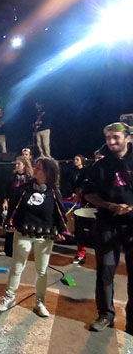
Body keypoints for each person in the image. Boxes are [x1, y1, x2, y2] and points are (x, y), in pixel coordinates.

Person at [0, 157, 68, 317]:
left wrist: (62, 231)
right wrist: (10, 222)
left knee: (42, 271)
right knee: (17, 267)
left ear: (48, 172)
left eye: (39, 168)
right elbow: (14, 208)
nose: (34, 170)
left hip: (45, 236)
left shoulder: (54, 193)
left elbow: (60, 214)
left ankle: (40, 302)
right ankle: (9, 297)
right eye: (35, 167)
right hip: (23, 233)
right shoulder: (24, 189)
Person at [83, 122, 133, 334]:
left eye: (116, 137)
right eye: (108, 138)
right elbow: (88, 193)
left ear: (128, 137)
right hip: (107, 223)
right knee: (105, 270)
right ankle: (106, 314)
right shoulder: (99, 167)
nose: (111, 142)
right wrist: (110, 205)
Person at [0, 157, 34, 257]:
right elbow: (6, 189)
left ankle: (21, 251)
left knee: (21, 229)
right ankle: (8, 250)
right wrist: (5, 201)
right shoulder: (12, 176)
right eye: (16, 164)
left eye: (18, 164)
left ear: (24, 165)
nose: (16, 166)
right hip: (12, 204)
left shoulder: (29, 178)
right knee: (10, 227)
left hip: (24, 206)